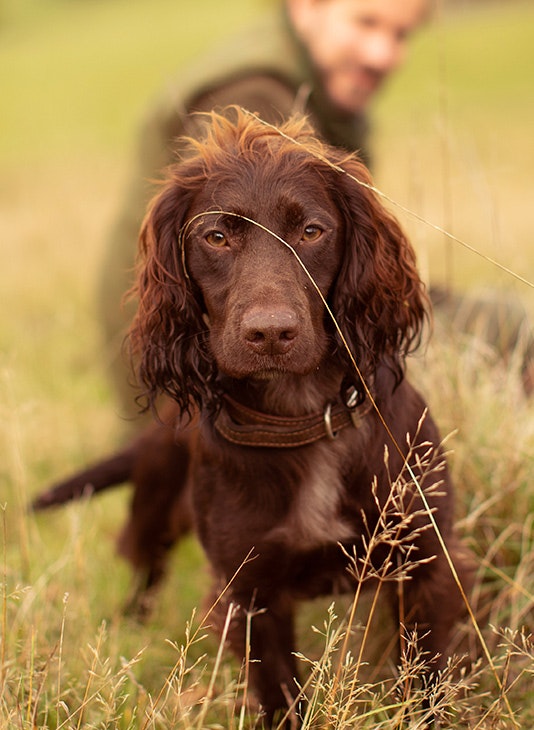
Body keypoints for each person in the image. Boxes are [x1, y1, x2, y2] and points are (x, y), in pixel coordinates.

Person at [99, 0, 430, 415]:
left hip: (220, 349)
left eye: (400, 35)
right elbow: (253, 247)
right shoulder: (253, 96)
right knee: (495, 330)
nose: (382, 54)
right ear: (307, 7)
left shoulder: (305, 77)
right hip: (191, 387)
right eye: (366, 23)